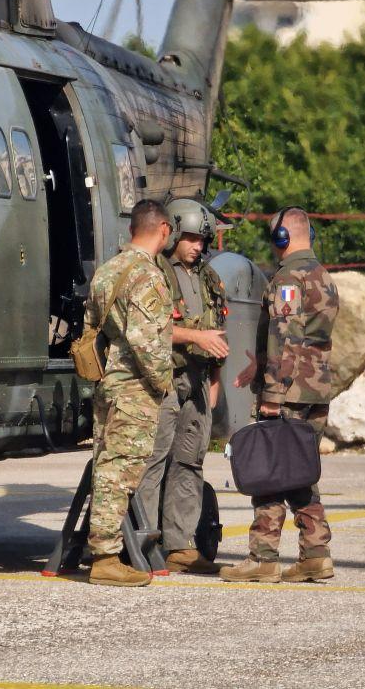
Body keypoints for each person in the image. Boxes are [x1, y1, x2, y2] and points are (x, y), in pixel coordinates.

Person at [220, 206, 339, 584]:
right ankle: (316, 554)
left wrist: (272, 391)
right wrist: (260, 365)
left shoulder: (289, 278)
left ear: (281, 238)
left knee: (271, 471)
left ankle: (263, 556)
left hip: (289, 389)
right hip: (316, 387)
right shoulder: (323, 276)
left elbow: (285, 336)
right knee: (299, 470)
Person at [136, 198, 230, 575]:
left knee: (189, 463)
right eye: (190, 238)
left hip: (198, 379)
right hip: (165, 380)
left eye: (202, 240)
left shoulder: (208, 277)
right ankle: (142, 540)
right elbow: (151, 330)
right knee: (154, 462)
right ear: (173, 233)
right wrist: (197, 338)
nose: (198, 246)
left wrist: (216, 380)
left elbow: (219, 330)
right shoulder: (155, 273)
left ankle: (180, 544)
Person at [85, 200, 175, 587]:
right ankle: (105, 557)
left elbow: (93, 329)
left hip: (108, 384)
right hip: (134, 388)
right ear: (165, 230)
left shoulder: (107, 272)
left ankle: (101, 548)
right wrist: (162, 382)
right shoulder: (147, 276)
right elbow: (147, 342)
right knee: (120, 470)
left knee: (106, 463)